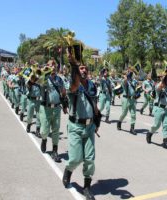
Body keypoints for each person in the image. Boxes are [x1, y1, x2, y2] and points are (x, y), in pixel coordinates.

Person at [62, 60, 100, 200]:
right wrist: (73, 67)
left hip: (90, 127)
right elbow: (72, 87)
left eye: (85, 68)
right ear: (77, 71)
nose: (84, 70)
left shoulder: (92, 85)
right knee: (75, 158)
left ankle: (87, 187)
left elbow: (95, 105)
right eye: (81, 68)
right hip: (75, 127)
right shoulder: (73, 84)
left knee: (90, 159)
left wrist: (97, 121)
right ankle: (68, 171)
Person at [40, 64, 67, 162]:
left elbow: (63, 92)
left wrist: (65, 105)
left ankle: (54, 151)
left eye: (54, 65)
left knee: (56, 130)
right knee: (44, 131)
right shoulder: (44, 78)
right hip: (45, 108)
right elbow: (37, 82)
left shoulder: (59, 79)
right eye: (50, 65)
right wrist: (43, 72)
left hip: (56, 108)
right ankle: (44, 139)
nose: (53, 67)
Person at [146, 68, 167, 150]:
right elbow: (161, 86)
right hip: (159, 108)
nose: (163, 77)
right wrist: (166, 76)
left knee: (166, 125)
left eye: (164, 76)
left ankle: (165, 142)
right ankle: (150, 133)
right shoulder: (158, 85)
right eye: (161, 76)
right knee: (157, 125)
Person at [117, 67, 138, 135]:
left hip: (132, 99)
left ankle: (132, 128)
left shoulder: (133, 81)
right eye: (128, 72)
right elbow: (125, 82)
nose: (130, 73)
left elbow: (136, 87)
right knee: (124, 113)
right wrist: (125, 77)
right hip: (126, 99)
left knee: (133, 114)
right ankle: (119, 122)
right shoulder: (124, 81)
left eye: (130, 72)